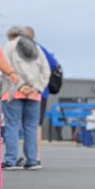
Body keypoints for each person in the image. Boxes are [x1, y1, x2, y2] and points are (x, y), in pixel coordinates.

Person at [1, 26, 50, 170]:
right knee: (31, 127)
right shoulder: (37, 48)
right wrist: (36, 88)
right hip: (34, 95)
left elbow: (4, 68)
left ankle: (11, 160)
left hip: (13, 92)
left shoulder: (9, 46)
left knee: (12, 126)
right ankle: (32, 160)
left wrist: (21, 86)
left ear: (11, 35)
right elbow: (46, 70)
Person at [25, 26, 61, 160]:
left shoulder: (37, 49)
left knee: (33, 125)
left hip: (37, 92)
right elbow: (53, 64)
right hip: (37, 92)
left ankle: (34, 155)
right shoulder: (40, 49)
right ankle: (33, 155)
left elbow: (52, 65)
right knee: (33, 125)